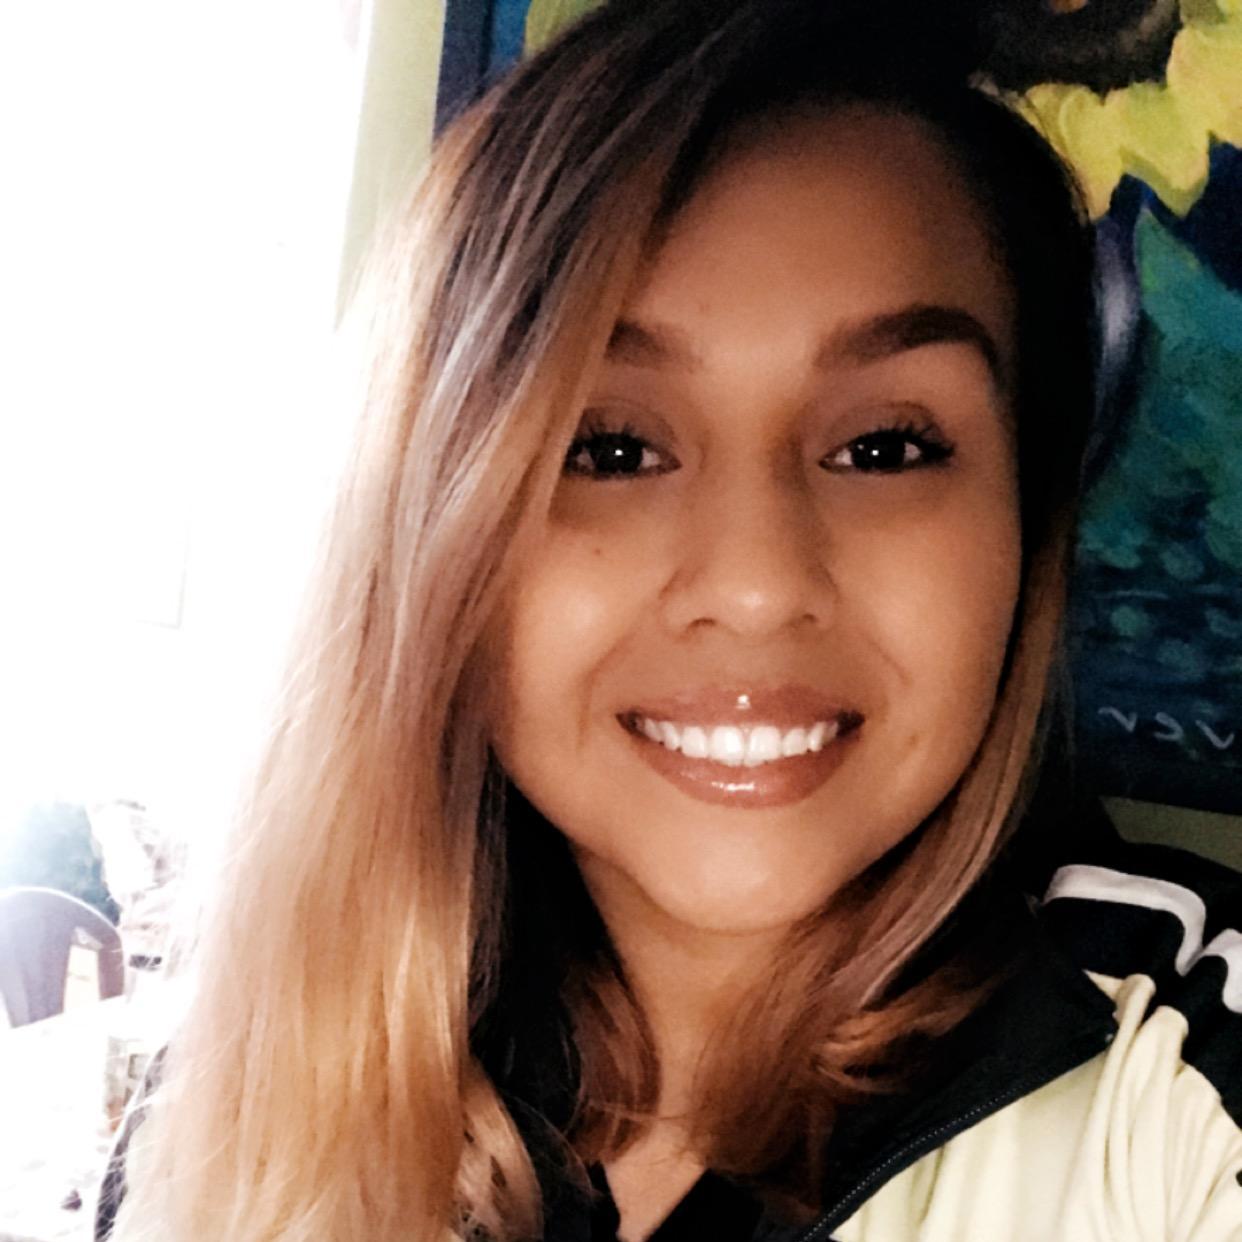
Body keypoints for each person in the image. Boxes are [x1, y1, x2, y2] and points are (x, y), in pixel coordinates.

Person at [99, 1, 1242, 1239]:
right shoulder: (222, 1119)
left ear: (1024, 517)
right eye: (610, 448)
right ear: (433, 526)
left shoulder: (1185, 1079)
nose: (754, 582)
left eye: (883, 446)